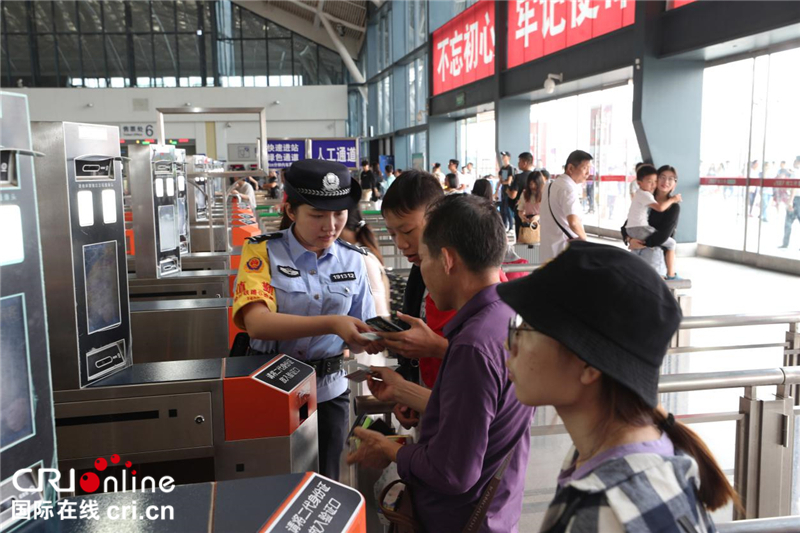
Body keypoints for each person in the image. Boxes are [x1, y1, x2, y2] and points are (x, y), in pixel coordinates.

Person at [499, 241, 738, 532]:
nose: (508, 344)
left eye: (526, 327)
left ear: (588, 365)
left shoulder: (600, 511)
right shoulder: (658, 451)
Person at [348, 194, 533, 533]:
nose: (423, 269)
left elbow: (453, 473)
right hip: (497, 510)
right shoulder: (509, 318)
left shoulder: (473, 346)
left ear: (446, 259)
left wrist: (390, 450)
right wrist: (404, 390)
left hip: (456, 520)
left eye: (425, 258)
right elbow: (483, 420)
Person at [231, 159, 380, 481]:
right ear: (290, 210)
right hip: (270, 390)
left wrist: (372, 338)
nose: (330, 226)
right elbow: (257, 323)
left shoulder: (355, 260)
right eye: (317, 215)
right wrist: (332, 323)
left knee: (326, 483)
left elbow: (365, 328)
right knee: (269, 483)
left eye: (339, 214)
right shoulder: (262, 253)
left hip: (330, 393)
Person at [622, 165, 683, 279]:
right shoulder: (646, 199)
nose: (666, 181)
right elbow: (626, 225)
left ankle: (671, 275)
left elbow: (663, 236)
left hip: (656, 255)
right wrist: (630, 240)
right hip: (637, 252)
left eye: (671, 179)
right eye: (662, 177)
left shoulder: (673, 207)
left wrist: (641, 243)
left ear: (675, 184)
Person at [539, 150, 591, 262]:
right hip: (564, 253)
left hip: (547, 251)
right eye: (585, 168)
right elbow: (573, 222)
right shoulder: (568, 189)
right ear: (570, 168)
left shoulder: (550, 186)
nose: (588, 173)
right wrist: (585, 240)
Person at [506, 152, 534, 238]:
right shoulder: (537, 176)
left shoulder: (519, 177)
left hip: (520, 211)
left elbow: (513, 195)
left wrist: (507, 190)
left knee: (521, 236)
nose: (518, 163)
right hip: (534, 212)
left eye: (519, 161)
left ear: (525, 163)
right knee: (533, 235)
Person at [779, 157, 800, 249]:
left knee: (788, 222)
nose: (794, 162)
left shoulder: (797, 172)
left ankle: (785, 243)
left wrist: (790, 201)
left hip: (796, 199)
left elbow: (794, 187)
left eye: (795, 161)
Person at [498, 151, 517, 232]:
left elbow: (508, 181)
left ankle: (511, 226)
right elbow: (501, 180)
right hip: (503, 190)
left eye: (504, 156)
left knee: (507, 209)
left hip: (509, 191)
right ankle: (504, 225)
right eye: (502, 155)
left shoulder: (510, 168)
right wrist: (496, 191)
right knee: (502, 209)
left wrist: (502, 181)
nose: (503, 157)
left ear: (508, 157)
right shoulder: (503, 168)